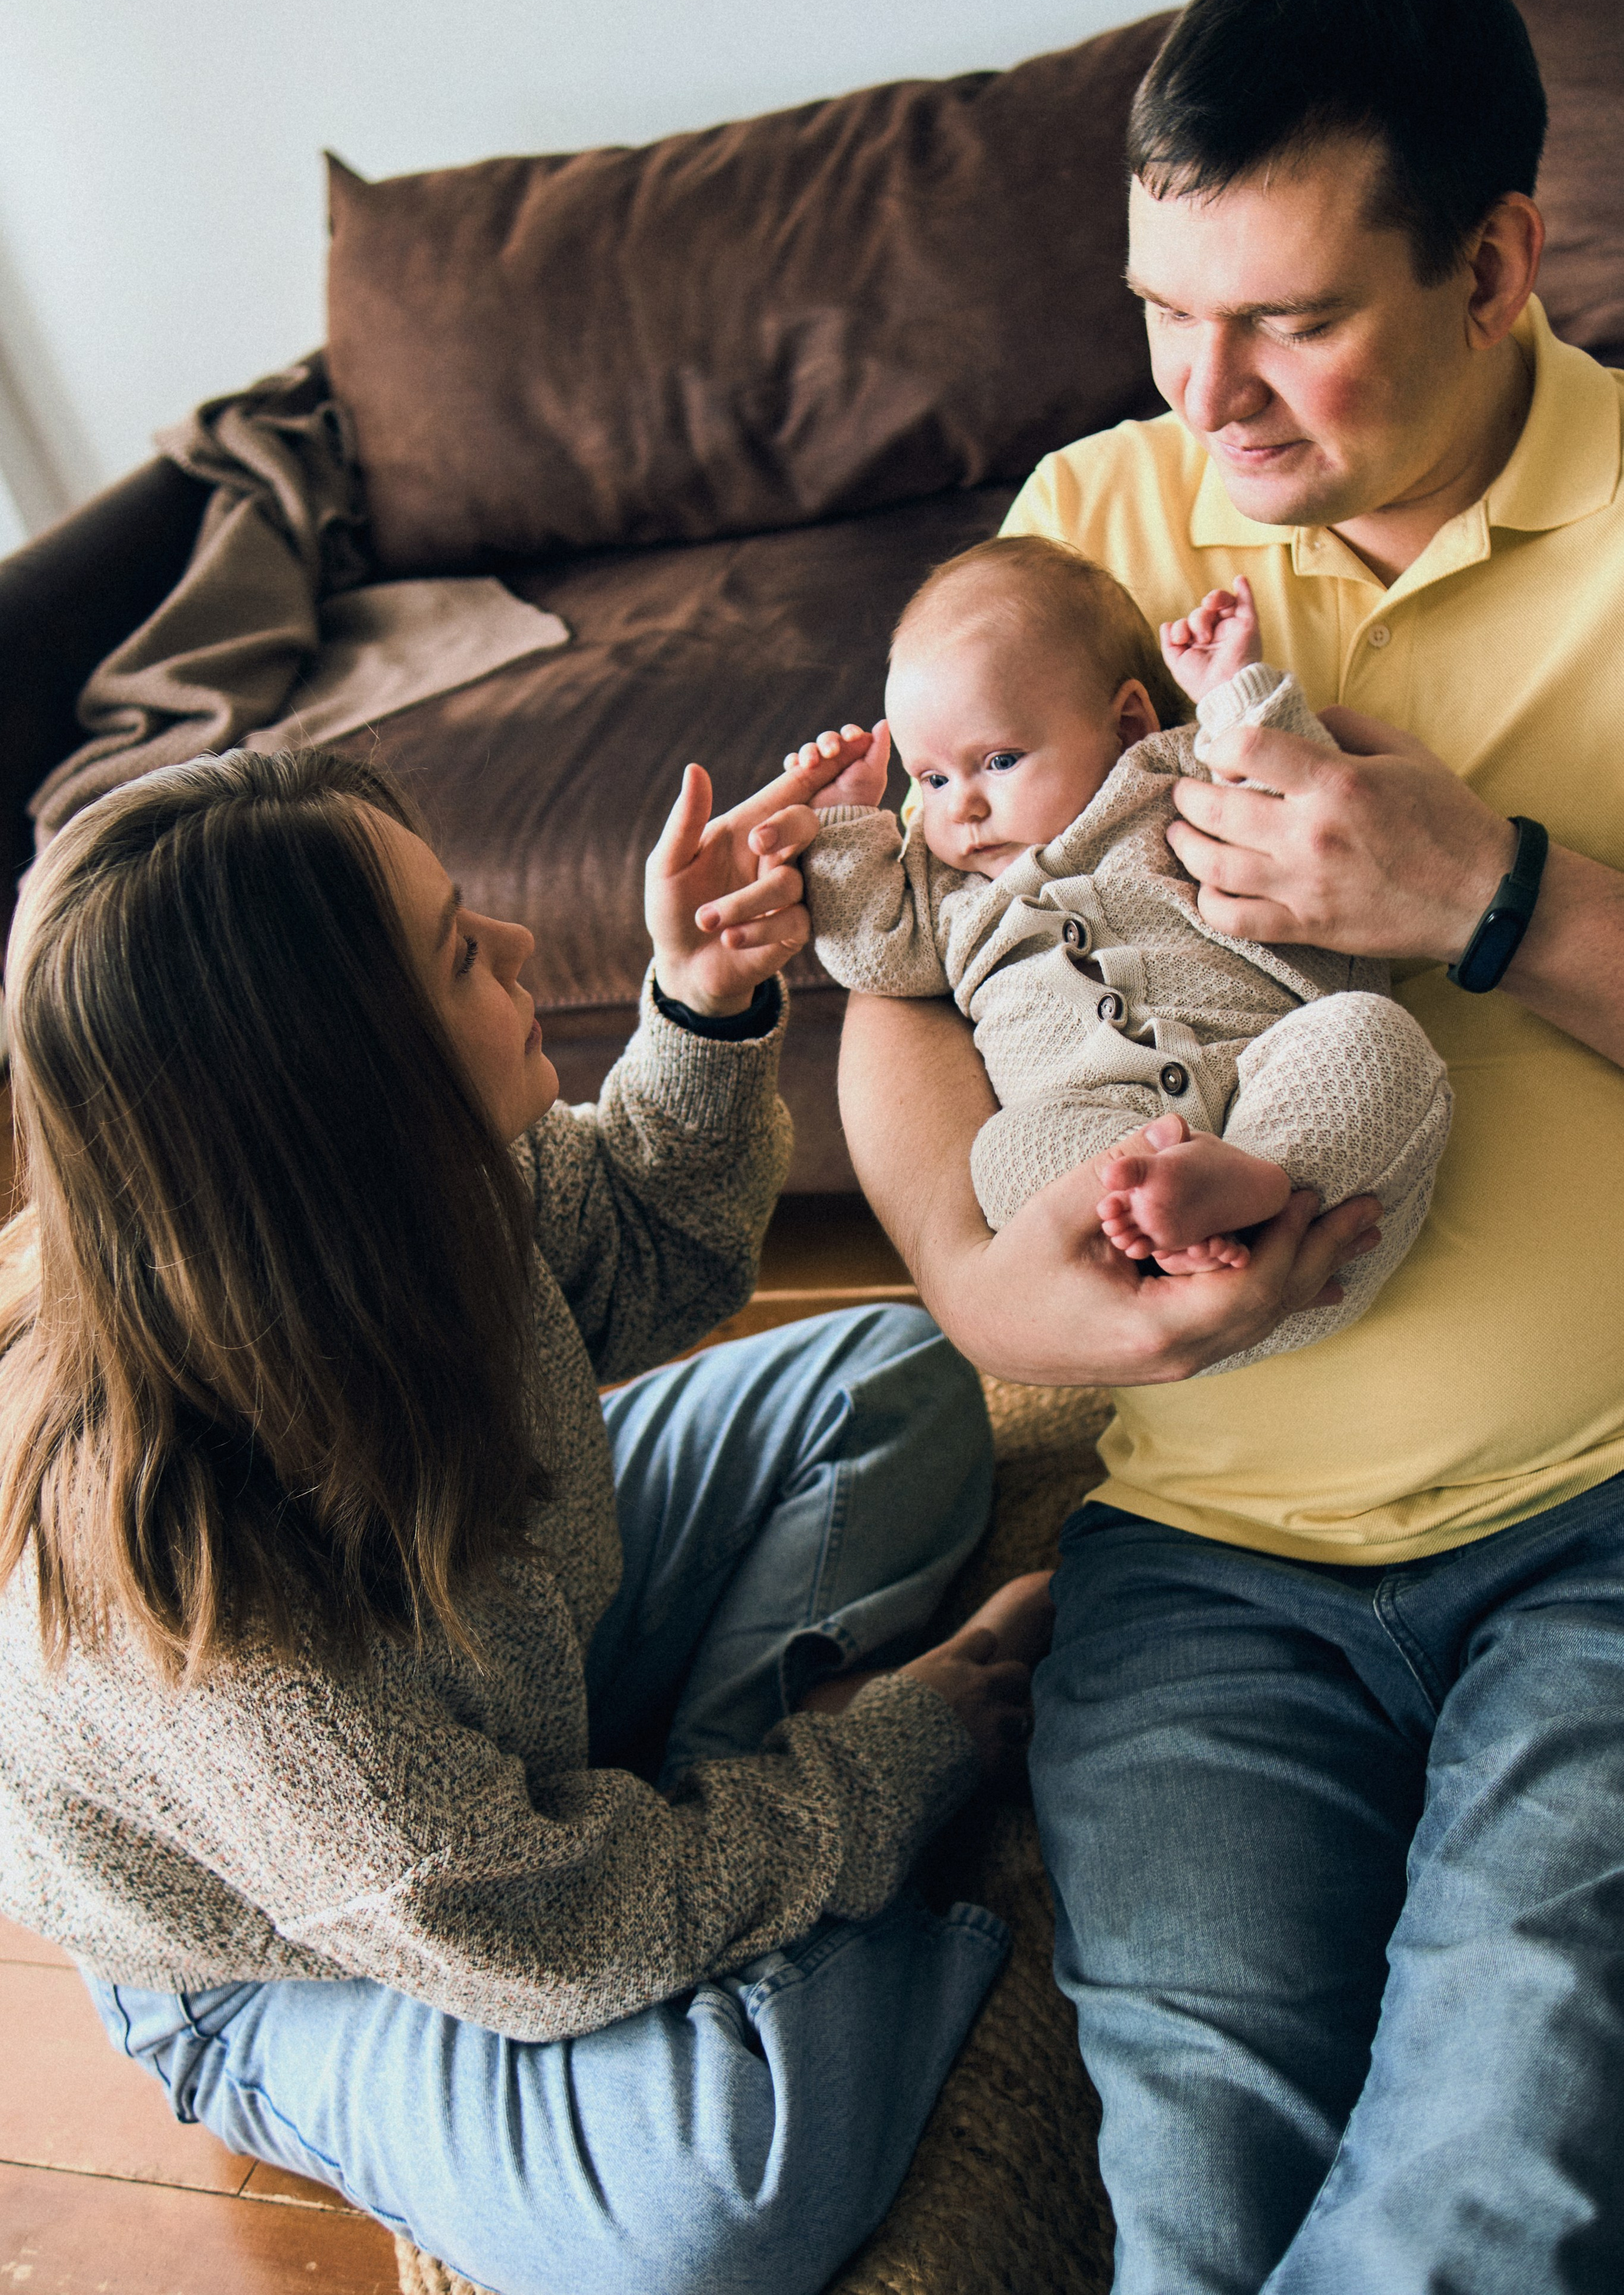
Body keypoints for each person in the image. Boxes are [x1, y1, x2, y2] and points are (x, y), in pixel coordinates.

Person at [778, 0, 1624, 2295]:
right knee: (1205, 2182)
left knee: (1498, 2169)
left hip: (1603, 1522)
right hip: (1212, 1570)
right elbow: (921, 978)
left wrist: (1500, 892)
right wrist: (976, 1278)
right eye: (1168, 310)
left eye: (1290, 321)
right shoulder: (1086, 531)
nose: (1206, 398)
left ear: (1493, 263)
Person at [0, 744, 1054, 2295]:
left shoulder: (402, 1189)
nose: (512, 947)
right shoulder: (213, 1607)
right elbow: (535, 1933)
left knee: (886, 1374)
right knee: (727, 2188)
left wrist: (697, 1003)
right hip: (297, 1950)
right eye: (454, 953)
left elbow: (644, 1250)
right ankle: (728, 1897)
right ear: (341, 1089)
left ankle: (711, 1859)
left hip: (505, 1688)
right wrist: (899, 1756)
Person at [754, 539, 1447, 1365]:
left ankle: (1251, 1178)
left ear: (1126, 722)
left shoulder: (1167, 777)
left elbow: (1296, 798)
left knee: (1371, 1037)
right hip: (1121, 1231)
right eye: (930, 780)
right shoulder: (942, 885)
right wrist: (842, 828)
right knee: (1004, 1154)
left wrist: (1234, 693)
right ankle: (1172, 1208)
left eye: (999, 760)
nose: (963, 808)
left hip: (1310, 1208)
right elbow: (876, 957)